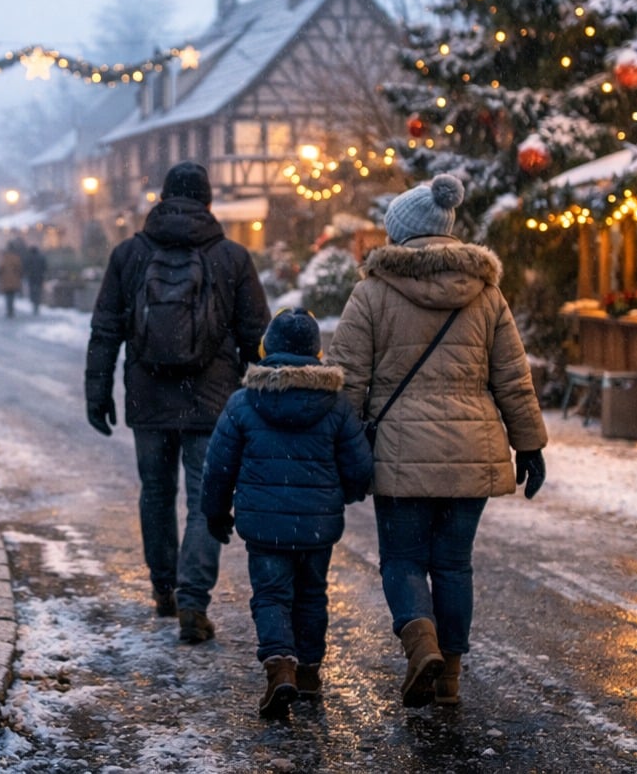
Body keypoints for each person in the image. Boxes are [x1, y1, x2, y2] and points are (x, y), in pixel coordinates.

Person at [323, 173, 548, 708]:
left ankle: (418, 638)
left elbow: (347, 379)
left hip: (398, 452)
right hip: (472, 450)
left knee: (402, 559)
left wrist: (341, 448)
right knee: (453, 563)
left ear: (399, 232)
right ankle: (448, 675)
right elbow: (512, 378)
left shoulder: (372, 292)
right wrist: (531, 445)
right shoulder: (487, 294)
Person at [84, 160, 270, 643]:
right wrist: (263, 396)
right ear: (208, 202)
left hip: (148, 396)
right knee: (205, 499)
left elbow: (106, 329)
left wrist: (97, 391)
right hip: (211, 400)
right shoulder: (232, 257)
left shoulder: (129, 254)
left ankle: (163, 587)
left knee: (156, 492)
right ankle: (193, 600)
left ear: (162, 198)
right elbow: (257, 336)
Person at [200, 308, 373, 717]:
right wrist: (343, 494)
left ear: (267, 349)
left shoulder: (243, 402)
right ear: (317, 354)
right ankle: (309, 671)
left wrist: (215, 511)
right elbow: (360, 466)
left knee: (272, 595)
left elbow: (219, 465)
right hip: (317, 524)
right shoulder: (335, 405)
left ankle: (280, 668)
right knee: (312, 595)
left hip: (264, 526)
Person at [0, 246, 23, 318]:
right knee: (12, 296)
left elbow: (0, 269)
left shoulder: (4, 259)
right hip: (14, 280)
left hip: (5, 280)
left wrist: (1, 276)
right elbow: (20, 269)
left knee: (7, 296)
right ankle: (11, 309)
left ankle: (9, 310)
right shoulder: (16, 258)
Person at [23, 245, 48, 315]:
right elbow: (45, 267)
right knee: (38, 291)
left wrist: (28, 273)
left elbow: (26, 267)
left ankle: (34, 304)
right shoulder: (41, 257)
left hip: (32, 278)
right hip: (39, 277)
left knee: (33, 291)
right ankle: (37, 304)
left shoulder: (29, 258)